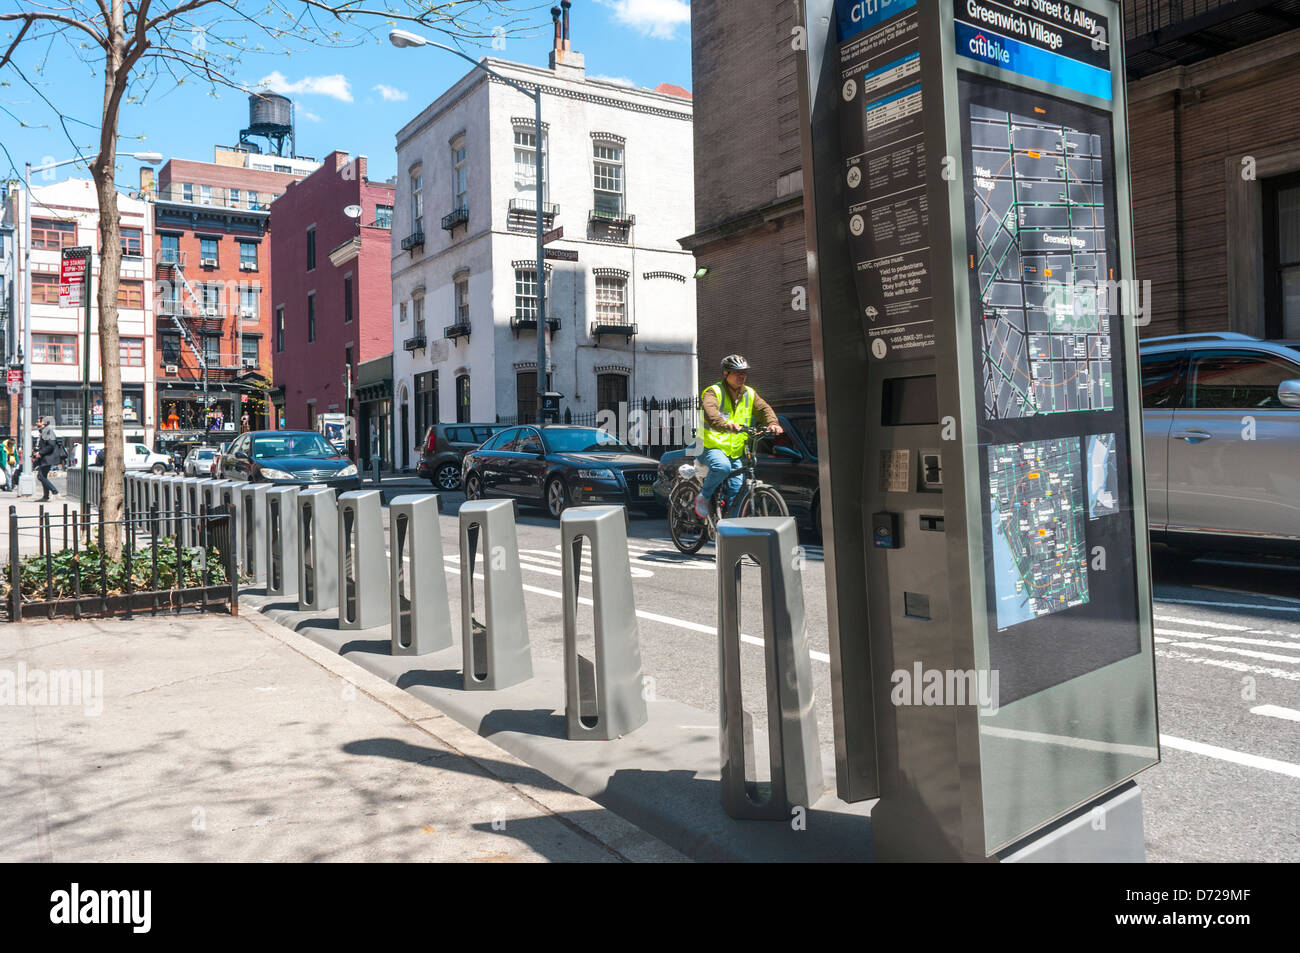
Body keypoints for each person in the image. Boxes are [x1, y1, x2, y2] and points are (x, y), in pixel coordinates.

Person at [694, 354, 783, 518]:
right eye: (737, 372)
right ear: (726, 374)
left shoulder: (749, 393)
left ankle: (731, 527)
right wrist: (724, 425)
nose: (742, 376)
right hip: (709, 447)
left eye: (744, 373)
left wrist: (773, 423)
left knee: (737, 490)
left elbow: (763, 408)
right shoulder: (713, 392)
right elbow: (710, 411)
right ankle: (703, 497)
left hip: (734, 452)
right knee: (722, 467)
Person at [33, 416, 62, 502]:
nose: (36, 423)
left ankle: (55, 492)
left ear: (43, 423)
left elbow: (51, 445)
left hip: (48, 458)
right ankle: (46, 496)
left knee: (40, 476)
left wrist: (41, 453)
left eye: (38, 421)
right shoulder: (44, 431)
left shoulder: (48, 431)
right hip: (45, 458)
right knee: (43, 476)